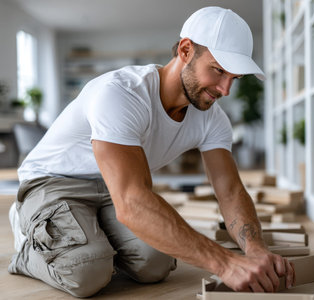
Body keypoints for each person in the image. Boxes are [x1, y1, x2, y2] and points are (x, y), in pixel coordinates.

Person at [8, 6, 296, 297]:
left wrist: (255, 249)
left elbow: (231, 191)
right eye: (218, 70)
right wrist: (225, 263)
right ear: (185, 50)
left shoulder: (213, 119)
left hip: (110, 188)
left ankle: (89, 242)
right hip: (54, 182)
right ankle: (29, 245)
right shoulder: (122, 93)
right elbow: (132, 202)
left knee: (154, 264)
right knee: (86, 272)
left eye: (234, 78)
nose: (225, 89)